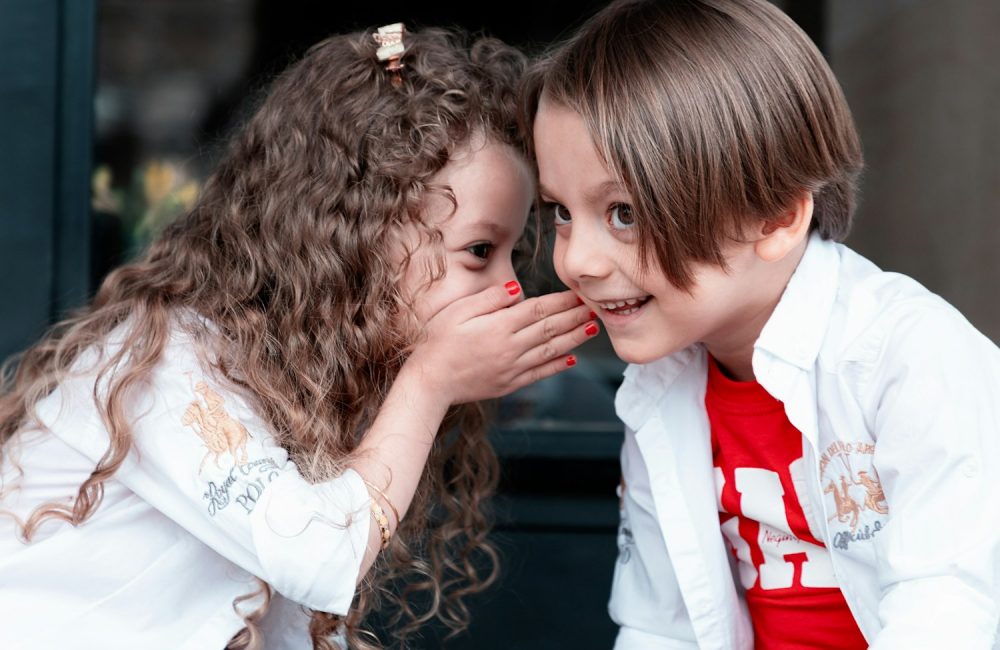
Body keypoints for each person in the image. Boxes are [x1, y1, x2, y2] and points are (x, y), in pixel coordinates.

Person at [0, 25, 599, 650]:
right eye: (479, 251)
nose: (509, 289)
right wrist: (431, 380)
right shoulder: (168, 363)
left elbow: (289, 618)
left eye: (512, 254)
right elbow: (317, 558)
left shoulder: (305, 374)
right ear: (359, 236)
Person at [523, 1, 1000, 648]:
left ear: (775, 217)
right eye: (561, 211)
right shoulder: (661, 389)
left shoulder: (908, 358)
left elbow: (950, 609)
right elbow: (662, 628)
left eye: (624, 213)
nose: (575, 260)